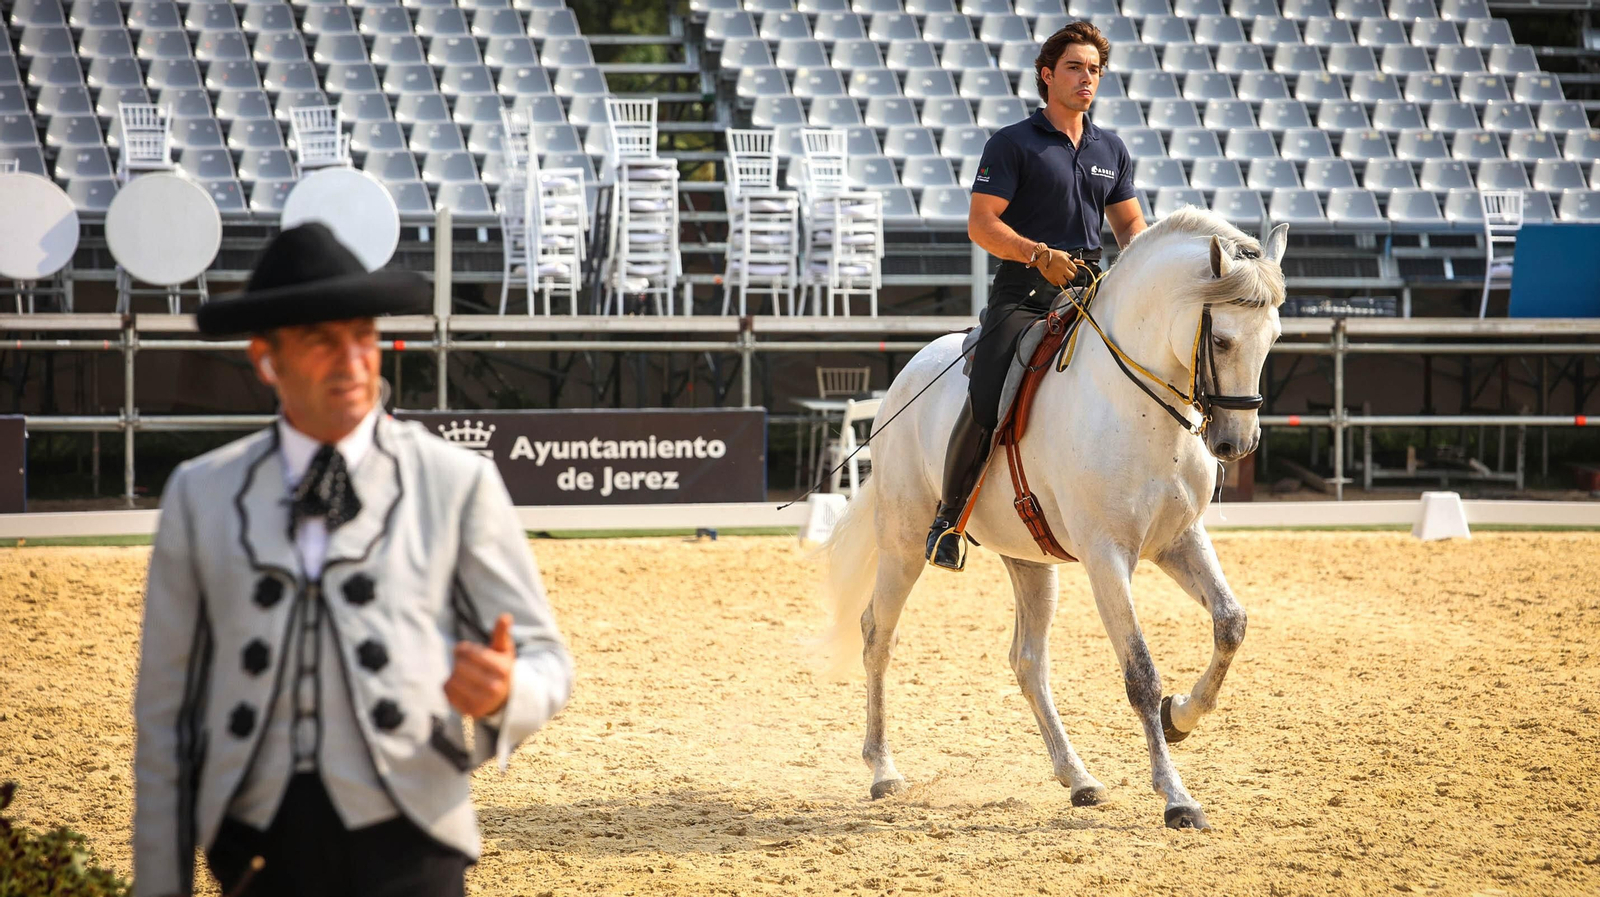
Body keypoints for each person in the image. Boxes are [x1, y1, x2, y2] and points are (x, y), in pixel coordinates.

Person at [132, 223, 574, 896]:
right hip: (256, 843)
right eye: (321, 340)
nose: (353, 361)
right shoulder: (201, 492)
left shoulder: (456, 481)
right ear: (266, 358)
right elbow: (166, 714)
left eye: (363, 335)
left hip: (413, 835)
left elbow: (548, 659)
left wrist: (507, 692)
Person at [925, 21, 1149, 571]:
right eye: (1075, 67)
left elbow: (1131, 232)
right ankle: (948, 521)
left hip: (1090, 290)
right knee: (988, 393)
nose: (1087, 78)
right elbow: (982, 225)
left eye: (1095, 69)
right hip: (1024, 292)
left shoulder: (1110, 148)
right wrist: (1036, 254)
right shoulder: (1012, 143)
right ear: (1047, 76)